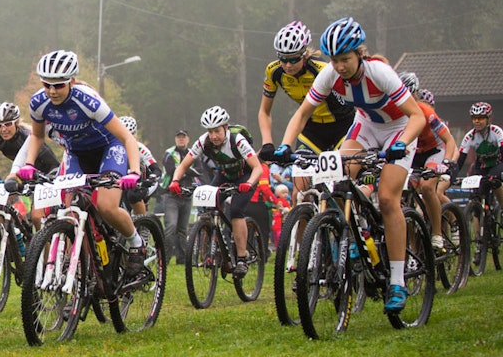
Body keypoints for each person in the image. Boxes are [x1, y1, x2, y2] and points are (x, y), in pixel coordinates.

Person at [271, 17, 425, 313]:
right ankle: (352, 235)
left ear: (360, 54)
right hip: (365, 127)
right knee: (334, 182)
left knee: (388, 199)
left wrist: (401, 144)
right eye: (334, 60)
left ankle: (396, 282)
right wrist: (285, 145)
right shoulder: (330, 74)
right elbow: (303, 113)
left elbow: (417, 116)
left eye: (345, 59)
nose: (339, 66)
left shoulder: (378, 72)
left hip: (399, 129)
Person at [12, 49, 148, 276]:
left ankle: (136, 244)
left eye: (59, 85)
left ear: (71, 81)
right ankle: (87, 267)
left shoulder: (88, 101)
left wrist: (133, 171)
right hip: (76, 153)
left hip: (108, 148)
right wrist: (28, 164)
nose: (52, 91)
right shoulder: (38, 103)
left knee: (106, 206)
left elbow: (126, 137)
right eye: (47, 85)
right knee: (70, 212)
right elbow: (37, 136)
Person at [257, 20, 355, 198]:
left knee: (342, 188)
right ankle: (303, 222)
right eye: (283, 59)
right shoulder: (274, 72)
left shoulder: (323, 70)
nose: (288, 65)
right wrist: (267, 143)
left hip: (343, 127)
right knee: (299, 192)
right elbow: (264, 111)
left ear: (305, 54)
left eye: (294, 59)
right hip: (312, 129)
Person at [167, 106, 267, 277]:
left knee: (236, 210)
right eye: (210, 131)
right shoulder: (203, 141)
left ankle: (242, 258)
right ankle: (214, 248)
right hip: (224, 175)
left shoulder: (238, 140)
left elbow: (258, 168)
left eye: (217, 131)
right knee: (208, 206)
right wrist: (175, 181)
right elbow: (183, 165)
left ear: (226, 128)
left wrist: (249, 183)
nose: (214, 136)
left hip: (246, 176)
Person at [399, 73, 457, 251]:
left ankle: (437, 234)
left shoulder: (427, 113)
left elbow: (449, 140)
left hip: (434, 151)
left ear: (415, 94)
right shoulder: (395, 114)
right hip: (414, 153)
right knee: (401, 193)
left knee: (426, 187)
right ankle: (410, 244)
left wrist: (446, 162)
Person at [160, 129, 201, 263]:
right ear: (175, 139)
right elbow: (172, 170)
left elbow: (199, 171)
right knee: (171, 226)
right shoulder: (169, 153)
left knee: (183, 229)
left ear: (188, 139)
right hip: (171, 196)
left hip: (187, 195)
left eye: (183, 137)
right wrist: (188, 170)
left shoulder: (193, 153)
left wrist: (183, 169)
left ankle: (182, 258)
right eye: (178, 137)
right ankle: (165, 257)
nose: (181, 139)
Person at [454, 101, 503, 211]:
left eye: (480, 118)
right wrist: (453, 175)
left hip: (497, 164)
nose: (477, 121)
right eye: (474, 118)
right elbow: (460, 160)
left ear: (488, 119)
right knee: (476, 196)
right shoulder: (469, 136)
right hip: (481, 166)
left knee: (495, 182)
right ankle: (477, 226)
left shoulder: (497, 132)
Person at [118, 115, 163, 215]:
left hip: (145, 181)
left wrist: (151, 178)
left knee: (133, 195)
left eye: (131, 135)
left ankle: (142, 226)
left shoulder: (140, 149)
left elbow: (156, 169)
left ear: (135, 134)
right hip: (123, 183)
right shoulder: (114, 148)